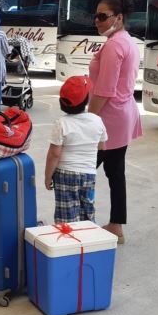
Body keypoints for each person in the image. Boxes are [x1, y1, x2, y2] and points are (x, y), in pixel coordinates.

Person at [88, 0, 143, 244]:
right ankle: (116, 225)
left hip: (108, 118)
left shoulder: (113, 45)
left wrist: (87, 119)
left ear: (118, 18)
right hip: (122, 114)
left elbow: (105, 89)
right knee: (115, 171)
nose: (97, 21)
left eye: (103, 16)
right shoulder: (126, 41)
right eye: (96, 15)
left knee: (80, 167)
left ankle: (77, 219)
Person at [44, 76, 108, 223]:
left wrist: (48, 177)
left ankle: (69, 244)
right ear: (86, 100)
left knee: (66, 216)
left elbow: (54, 154)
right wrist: (90, 166)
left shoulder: (61, 124)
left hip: (64, 175)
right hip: (88, 175)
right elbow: (102, 148)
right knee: (87, 212)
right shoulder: (97, 121)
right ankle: (87, 242)